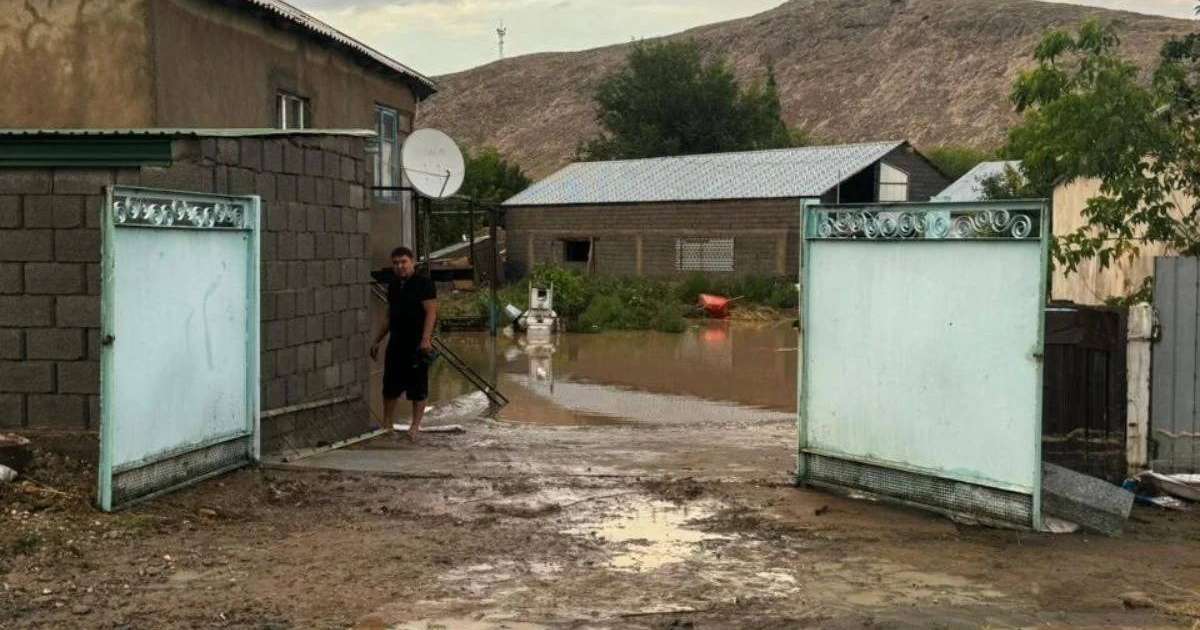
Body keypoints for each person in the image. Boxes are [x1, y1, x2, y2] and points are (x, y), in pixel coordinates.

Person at [370, 246, 438, 442]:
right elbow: (389, 316)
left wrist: (426, 339)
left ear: (412, 262)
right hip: (396, 342)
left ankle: (415, 427)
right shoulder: (393, 286)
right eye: (396, 263)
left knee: (418, 386)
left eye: (403, 262)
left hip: (417, 344)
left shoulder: (424, 284)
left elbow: (431, 312)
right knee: (390, 385)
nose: (399, 266)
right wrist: (377, 340)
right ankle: (387, 424)